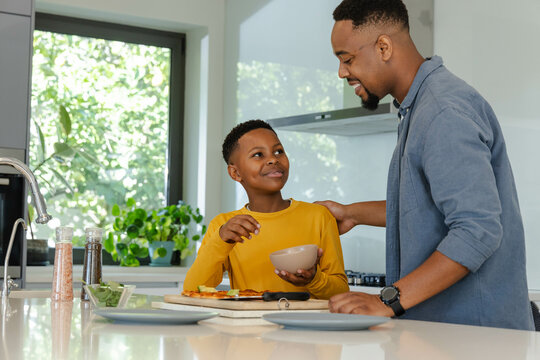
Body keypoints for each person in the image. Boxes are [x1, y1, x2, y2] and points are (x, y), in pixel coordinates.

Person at [319, 0, 534, 330]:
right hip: (447, 335)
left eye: (347, 59)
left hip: (475, 340)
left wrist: (387, 299)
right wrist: (352, 213)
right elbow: (425, 210)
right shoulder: (418, 110)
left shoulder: (443, 112)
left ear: (384, 46)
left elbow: (477, 231)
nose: (342, 72)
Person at [183, 120, 349, 299]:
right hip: (250, 325)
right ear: (235, 173)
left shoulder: (319, 216)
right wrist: (221, 240)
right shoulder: (224, 226)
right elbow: (193, 289)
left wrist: (313, 279)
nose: (273, 159)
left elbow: (341, 291)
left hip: (308, 324)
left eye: (278, 151)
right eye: (258, 155)